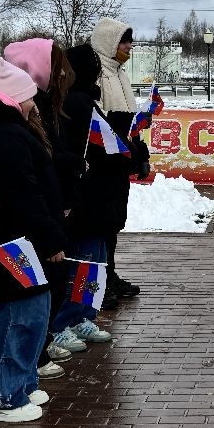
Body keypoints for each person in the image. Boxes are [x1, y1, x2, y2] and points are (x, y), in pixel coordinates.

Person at [0, 58, 67, 423]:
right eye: (28, 97)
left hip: (16, 242)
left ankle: (18, 383)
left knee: (29, 315)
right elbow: (24, 196)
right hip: (11, 246)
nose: (34, 104)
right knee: (18, 318)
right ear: (11, 99)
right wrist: (51, 239)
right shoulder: (4, 135)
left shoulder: (4, 130)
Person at [3, 38, 110, 363]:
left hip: (77, 196)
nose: (64, 74)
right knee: (74, 268)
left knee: (91, 265)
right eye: (58, 67)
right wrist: (74, 162)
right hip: (69, 201)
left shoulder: (56, 102)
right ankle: (59, 325)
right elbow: (46, 155)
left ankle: (78, 318)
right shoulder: (50, 106)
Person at [48, 43, 123, 346]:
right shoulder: (78, 103)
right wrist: (122, 155)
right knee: (84, 263)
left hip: (99, 198)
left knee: (96, 264)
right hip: (88, 197)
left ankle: (84, 316)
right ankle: (66, 320)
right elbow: (102, 148)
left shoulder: (86, 101)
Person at [90, 18, 143, 301]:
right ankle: (98, 281)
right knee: (100, 222)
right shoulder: (97, 74)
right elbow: (99, 124)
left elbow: (127, 120)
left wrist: (137, 151)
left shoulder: (120, 73)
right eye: (124, 42)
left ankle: (109, 272)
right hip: (103, 160)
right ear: (110, 43)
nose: (129, 47)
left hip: (120, 158)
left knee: (114, 221)